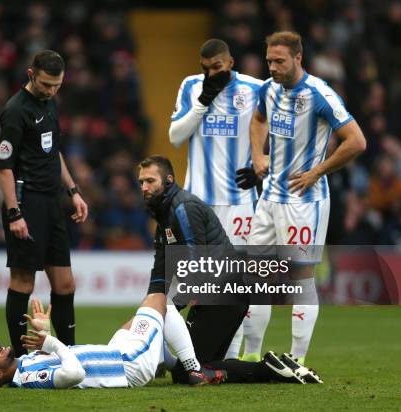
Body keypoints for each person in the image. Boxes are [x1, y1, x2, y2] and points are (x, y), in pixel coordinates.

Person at [137, 155, 322, 385]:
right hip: (219, 294)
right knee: (199, 367)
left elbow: (198, 260)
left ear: (169, 180)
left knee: (189, 371)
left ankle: (271, 369)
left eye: (150, 181)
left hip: (223, 294)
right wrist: (146, 313)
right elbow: (159, 275)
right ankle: (276, 367)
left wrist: (169, 307)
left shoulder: (183, 209)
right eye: (141, 182)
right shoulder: (165, 216)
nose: (144, 187)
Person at [243, 31, 366, 364]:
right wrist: (257, 155)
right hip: (268, 198)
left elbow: (356, 141)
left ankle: (296, 359)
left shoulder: (319, 93)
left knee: (300, 277)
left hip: (304, 200)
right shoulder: (268, 90)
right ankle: (251, 356)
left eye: (279, 61)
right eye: (269, 60)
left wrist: (317, 172)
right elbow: (257, 119)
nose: (273, 67)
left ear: (299, 58)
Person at [168, 38, 265, 360]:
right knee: (190, 283)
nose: (211, 74)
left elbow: (282, 134)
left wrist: (263, 167)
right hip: (198, 204)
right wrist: (203, 101)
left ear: (231, 63)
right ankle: (165, 354)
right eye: (206, 69)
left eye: (218, 69)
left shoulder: (255, 88)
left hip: (240, 201)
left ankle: (230, 357)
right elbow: (176, 137)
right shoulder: (192, 86)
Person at [0, 50, 88, 358]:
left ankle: (69, 353)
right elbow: (4, 166)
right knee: (23, 281)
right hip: (26, 203)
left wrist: (73, 190)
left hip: (52, 204)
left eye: (57, 85)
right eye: (46, 84)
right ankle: (20, 359)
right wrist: (14, 213)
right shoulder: (15, 110)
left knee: (65, 284)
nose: (51, 90)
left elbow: (53, 151)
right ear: (30, 74)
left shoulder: (50, 104)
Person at [0, 296, 226, 388]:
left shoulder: (24, 366)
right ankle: (193, 369)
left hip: (115, 354)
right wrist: (52, 342)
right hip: (127, 365)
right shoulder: (31, 379)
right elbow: (74, 372)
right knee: (160, 300)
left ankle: (170, 364)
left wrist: (45, 331)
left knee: (134, 321)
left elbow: (55, 354)